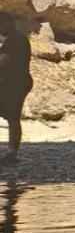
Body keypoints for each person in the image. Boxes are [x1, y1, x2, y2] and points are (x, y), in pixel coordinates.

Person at [0, 14, 32, 165]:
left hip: (14, 84)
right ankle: (12, 152)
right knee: (13, 118)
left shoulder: (15, 39)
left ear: (8, 23)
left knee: (13, 118)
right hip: (15, 83)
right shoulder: (16, 38)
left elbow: (4, 63)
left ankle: (12, 153)